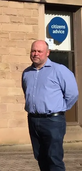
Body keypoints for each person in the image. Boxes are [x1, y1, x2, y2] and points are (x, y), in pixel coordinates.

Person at [22, 40, 78, 171]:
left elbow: (73, 94)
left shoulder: (59, 70)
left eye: (39, 51)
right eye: (33, 51)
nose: (36, 54)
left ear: (47, 53)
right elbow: (27, 93)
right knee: (40, 157)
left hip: (53, 121)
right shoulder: (26, 73)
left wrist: (60, 108)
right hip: (33, 119)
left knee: (54, 158)